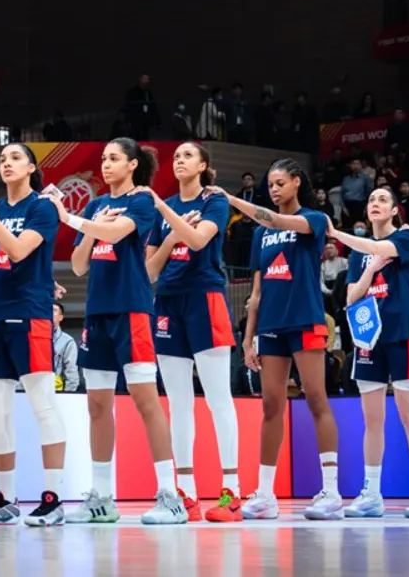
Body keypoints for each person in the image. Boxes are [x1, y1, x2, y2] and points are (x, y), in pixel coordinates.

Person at [49, 137, 185, 525]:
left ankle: (169, 496)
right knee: (96, 406)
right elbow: (78, 265)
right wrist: (90, 226)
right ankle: (102, 498)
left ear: (132, 165)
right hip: (97, 315)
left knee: (146, 401)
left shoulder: (142, 201)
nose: (105, 165)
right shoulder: (95, 205)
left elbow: (115, 234)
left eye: (113, 159)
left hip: (132, 311)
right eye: (104, 158)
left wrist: (70, 218)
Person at [214, 158, 342, 521]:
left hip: (305, 320)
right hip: (270, 325)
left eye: (279, 182)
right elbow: (256, 291)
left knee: (317, 398)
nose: (273, 188)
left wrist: (235, 201)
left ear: (297, 182)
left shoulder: (315, 221)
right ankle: (266, 494)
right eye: (269, 183)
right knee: (271, 406)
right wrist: (248, 337)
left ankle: (331, 492)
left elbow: (280, 220)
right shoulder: (259, 234)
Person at [0, 143, 66, 527]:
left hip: (30, 316)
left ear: (31, 167)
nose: (6, 163)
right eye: (2, 158)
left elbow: (21, 251)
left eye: (15, 158)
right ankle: (5, 499)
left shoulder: (41, 207)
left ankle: (53, 498)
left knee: (42, 405)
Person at [143, 142, 241, 522]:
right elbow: (149, 270)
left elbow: (200, 240)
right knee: (178, 403)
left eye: (188, 155)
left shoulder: (214, 200)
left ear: (203, 165)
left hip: (205, 298)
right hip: (168, 302)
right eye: (176, 156)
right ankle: (185, 494)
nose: (179, 160)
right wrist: (168, 236)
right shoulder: (163, 209)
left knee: (218, 398)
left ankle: (230, 493)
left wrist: (166, 213)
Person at [326, 187, 409, 519]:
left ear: (394, 210)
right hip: (369, 340)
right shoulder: (362, 254)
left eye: (382, 201)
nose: (375, 204)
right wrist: (371, 268)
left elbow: (378, 247)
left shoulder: (406, 238)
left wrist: (336, 233)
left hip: (404, 335)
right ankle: (371, 493)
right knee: (372, 420)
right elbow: (350, 298)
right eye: (371, 200)